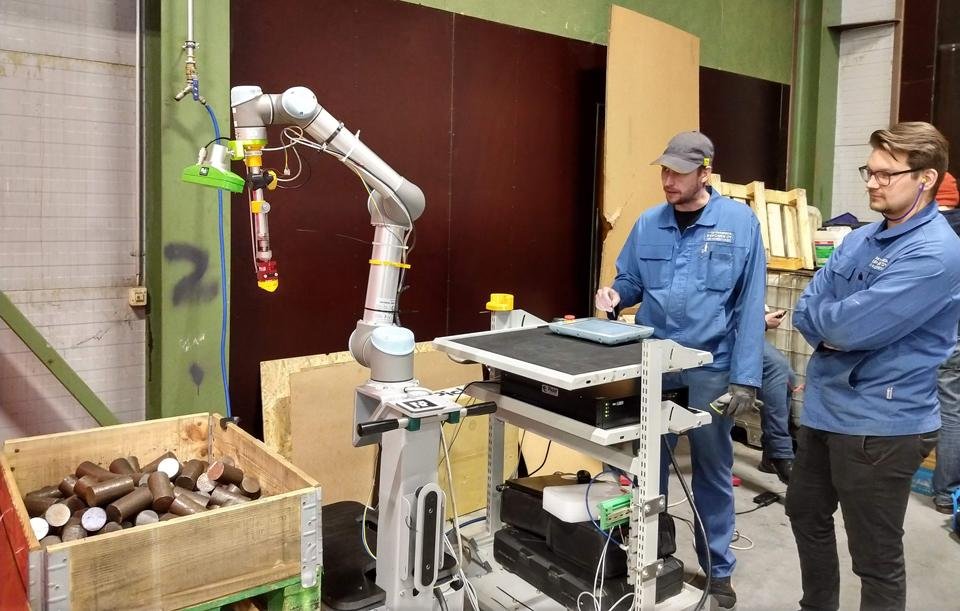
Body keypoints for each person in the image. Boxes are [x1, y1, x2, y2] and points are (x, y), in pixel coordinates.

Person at [786, 121, 960, 611]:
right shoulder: (862, 237)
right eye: (870, 170)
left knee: (875, 556)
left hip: (881, 426)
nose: (871, 182)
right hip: (825, 409)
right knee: (805, 512)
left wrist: (832, 325)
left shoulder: (936, 253)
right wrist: (832, 324)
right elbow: (809, 309)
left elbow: (843, 329)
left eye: (886, 174)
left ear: (925, 178)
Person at [595, 131, 766, 609]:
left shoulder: (739, 223)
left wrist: (746, 379)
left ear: (705, 172)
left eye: (678, 172)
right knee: (643, 468)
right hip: (654, 365)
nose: (668, 180)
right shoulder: (649, 224)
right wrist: (615, 295)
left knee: (712, 470)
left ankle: (718, 568)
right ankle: (643, 559)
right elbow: (629, 280)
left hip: (711, 369)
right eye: (664, 171)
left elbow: (752, 305)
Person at [935, 171, 960, 514]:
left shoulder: (932, 234)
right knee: (954, 405)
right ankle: (949, 493)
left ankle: (945, 491)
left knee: (948, 406)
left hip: (942, 330)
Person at [757, 310, 796, 483]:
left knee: (787, 375)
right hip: (710, 332)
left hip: (735, 327)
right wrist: (761, 323)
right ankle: (779, 452)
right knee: (774, 366)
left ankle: (771, 453)